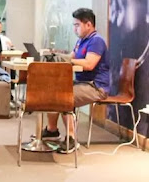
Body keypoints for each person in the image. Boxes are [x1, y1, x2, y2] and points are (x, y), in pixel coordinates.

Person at [43, 8, 110, 153]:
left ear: (88, 24)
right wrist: (57, 55)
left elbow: (89, 64)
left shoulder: (96, 41)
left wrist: (71, 60)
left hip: (96, 87)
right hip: (82, 84)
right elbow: (72, 57)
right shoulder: (81, 41)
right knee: (53, 91)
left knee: (63, 97)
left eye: (77, 25)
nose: (74, 28)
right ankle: (52, 131)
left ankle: (71, 138)